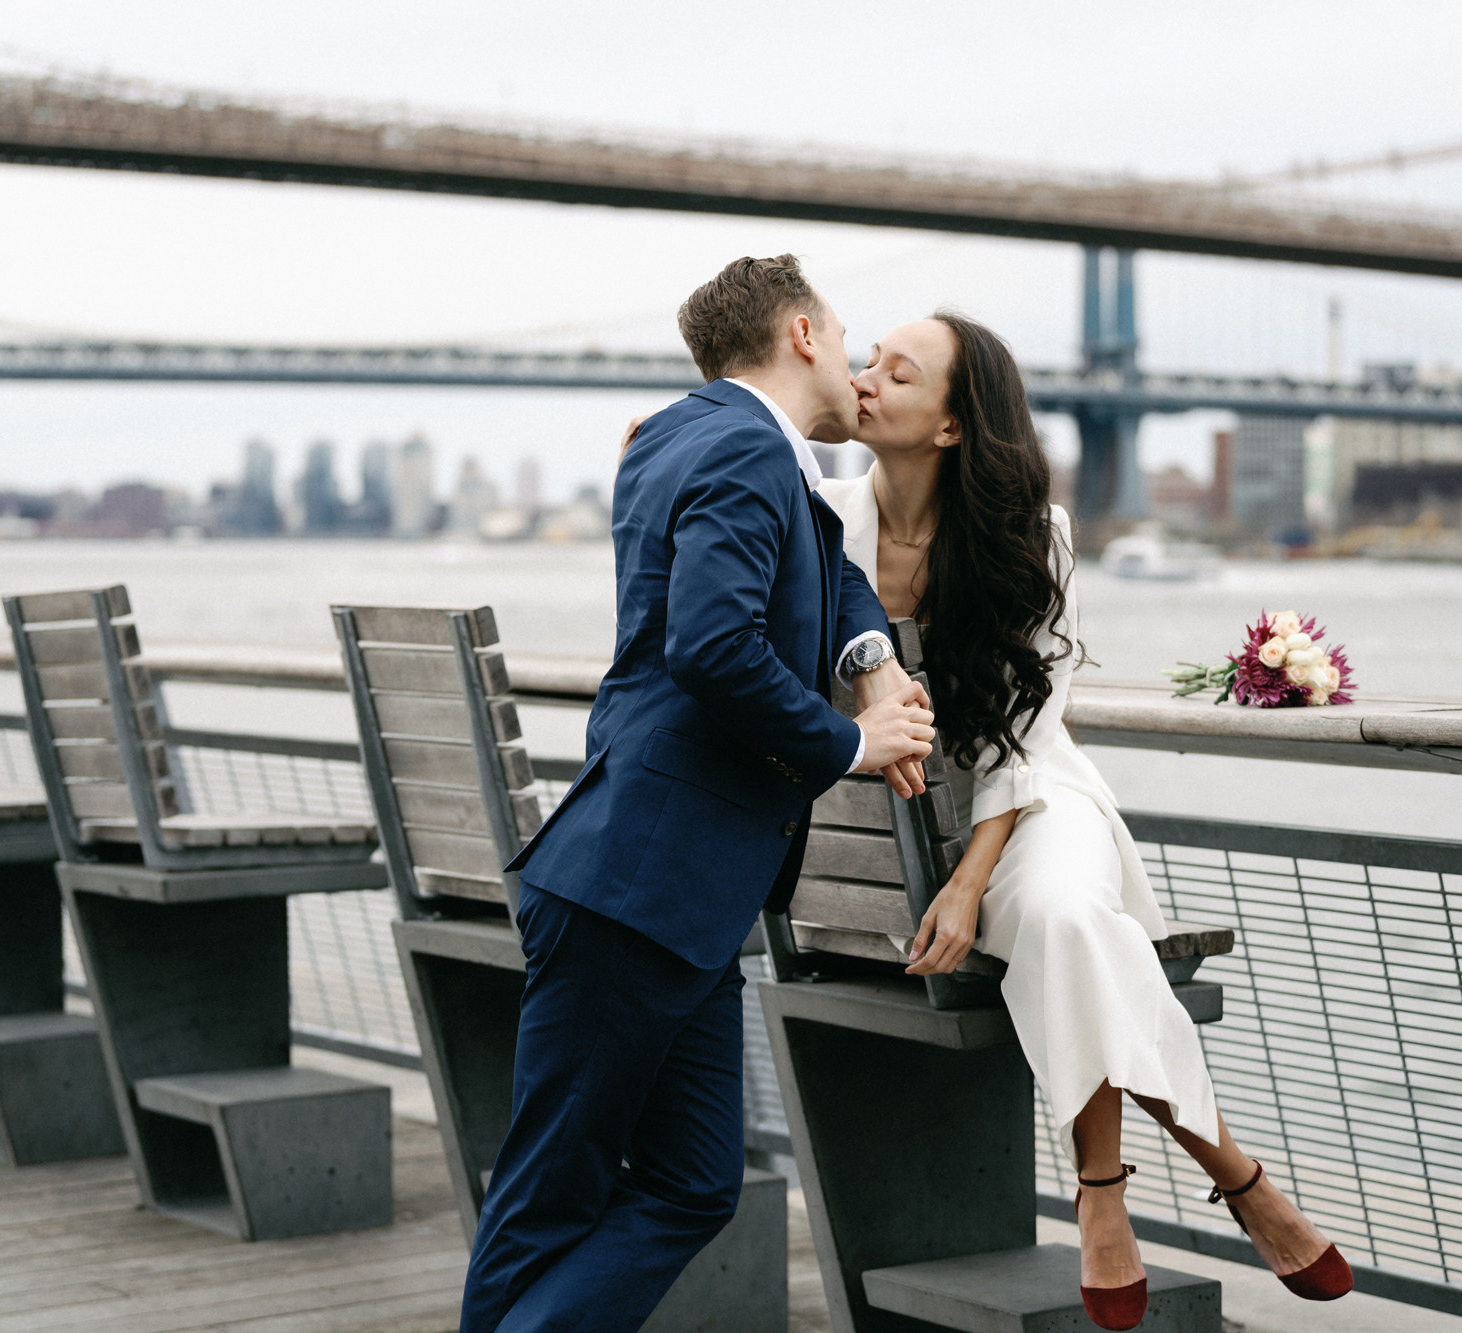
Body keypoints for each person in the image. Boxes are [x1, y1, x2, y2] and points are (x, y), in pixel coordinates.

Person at [817, 311, 1353, 1330]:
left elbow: (1024, 736)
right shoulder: (814, 516)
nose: (864, 377)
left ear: (949, 428)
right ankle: (1236, 1174)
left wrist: (971, 882)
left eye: (897, 370)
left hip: (1028, 800)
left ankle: (1098, 1194)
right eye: (865, 360)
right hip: (888, 820)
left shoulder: (1036, 539)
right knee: (1089, 938)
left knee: (1063, 915)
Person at [458, 255, 937, 1333]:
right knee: (548, 1195)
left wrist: (868, 653)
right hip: (639, 885)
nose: (855, 356)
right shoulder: (738, 450)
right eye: (844, 331)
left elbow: (818, 560)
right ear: (802, 333)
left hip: (677, 897)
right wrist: (851, 743)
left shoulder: (701, 438)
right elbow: (713, 647)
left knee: (689, 1180)